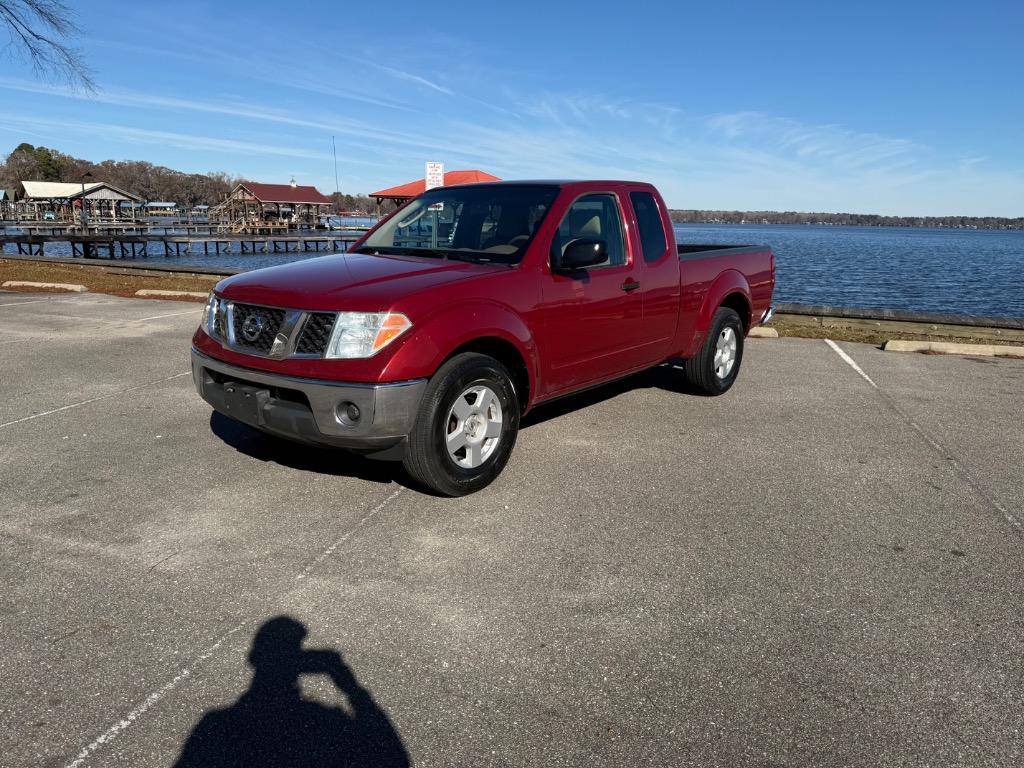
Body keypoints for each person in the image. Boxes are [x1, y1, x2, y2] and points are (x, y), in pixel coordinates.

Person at [174, 616, 409, 768]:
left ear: (255, 658)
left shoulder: (216, 724)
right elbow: (393, 758)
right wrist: (352, 689)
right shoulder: (326, 723)